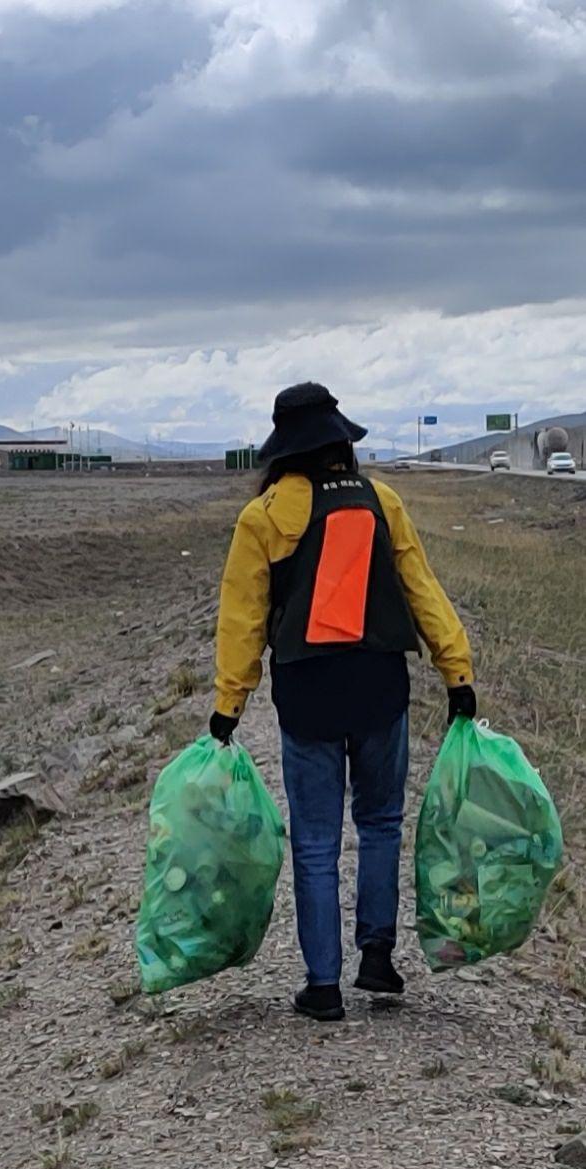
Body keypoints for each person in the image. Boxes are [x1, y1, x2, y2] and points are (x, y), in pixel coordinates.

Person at [210, 383, 475, 1022]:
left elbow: (243, 618)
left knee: (316, 842)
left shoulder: (265, 516)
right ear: (340, 442)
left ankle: (322, 985)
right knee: (381, 823)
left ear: (285, 451)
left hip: (308, 695)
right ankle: (378, 957)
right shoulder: (382, 502)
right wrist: (456, 670)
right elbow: (422, 591)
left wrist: (229, 705)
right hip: (381, 687)